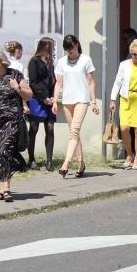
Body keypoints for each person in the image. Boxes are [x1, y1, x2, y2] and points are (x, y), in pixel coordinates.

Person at [0, 51, 33, 201]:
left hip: (12, 121)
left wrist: (16, 88)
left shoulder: (14, 75)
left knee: (4, 151)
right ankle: (2, 190)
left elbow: (29, 95)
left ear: (3, 63)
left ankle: (7, 188)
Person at [52, 35, 99, 178]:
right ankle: (81, 164)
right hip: (67, 100)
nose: (70, 52)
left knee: (74, 131)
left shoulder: (86, 60)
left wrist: (93, 101)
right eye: (67, 49)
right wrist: (54, 101)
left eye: (72, 48)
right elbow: (58, 82)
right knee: (74, 133)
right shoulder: (61, 62)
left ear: (77, 45)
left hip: (81, 100)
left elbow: (91, 82)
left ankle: (66, 163)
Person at [109, 39, 137, 170]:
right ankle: (129, 154)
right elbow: (118, 82)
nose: (136, 57)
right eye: (134, 54)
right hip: (126, 97)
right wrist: (112, 99)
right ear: (131, 53)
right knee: (124, 129)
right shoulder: (124, 65)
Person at [26, 37, 57, 171]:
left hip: (49, 100)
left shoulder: (50, 62)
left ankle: (49, 161)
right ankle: (31, 159)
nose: (54, 49)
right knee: (33, 129)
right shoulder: (34, 61)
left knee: (50, 128)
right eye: (52, 46)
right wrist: (43, 97)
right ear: (45, 47)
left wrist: (52, 98)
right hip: (37, 99)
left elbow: (53, 81)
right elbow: (33, 82)